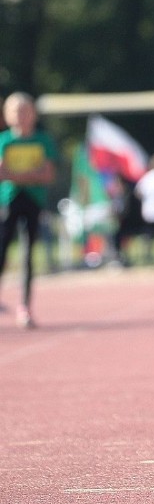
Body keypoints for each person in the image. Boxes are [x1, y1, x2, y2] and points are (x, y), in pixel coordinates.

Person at [0, 93, 58, 328]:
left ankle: (25, 306)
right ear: (7, 115)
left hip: (33, 201)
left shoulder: (43, 141)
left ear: (33, 114)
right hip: (8, 201)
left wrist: (17, 176)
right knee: (2, 250)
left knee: (27, 254)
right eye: (16, 111)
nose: (21, 116)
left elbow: (47, 174)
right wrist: (29, 176)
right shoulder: (4, 141)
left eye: (25, 111)